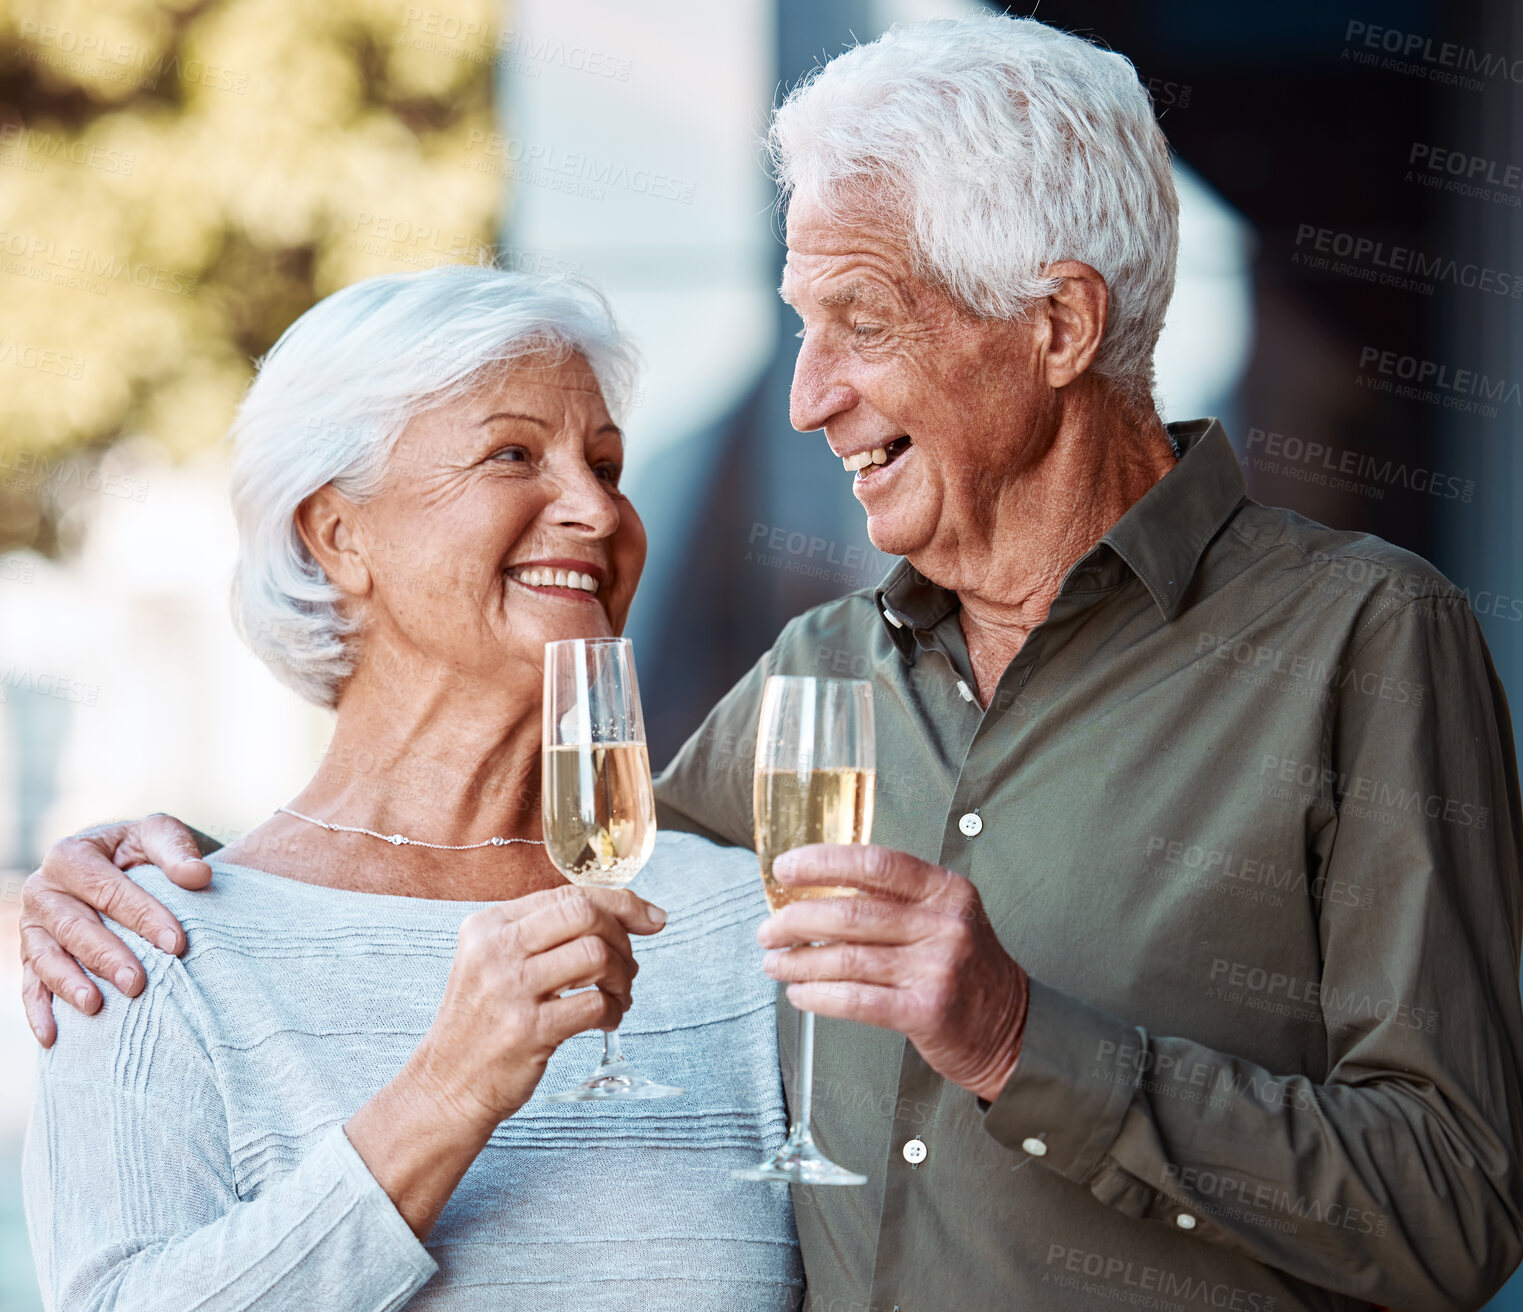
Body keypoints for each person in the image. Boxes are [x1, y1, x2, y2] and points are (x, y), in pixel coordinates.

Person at [21, 13, 1523, 1312]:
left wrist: (1020, 1036)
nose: (807, 397)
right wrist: (147, 880)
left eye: (856, 322)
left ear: (1057, 324)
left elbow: (1454, 1213)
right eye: (800, 325)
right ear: (328, 532)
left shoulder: (1363, 643)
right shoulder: (818, 678)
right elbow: (534, 859)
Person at [19, 266, 803, 1311]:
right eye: (514, 454)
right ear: (336, 534)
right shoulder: (145, 951)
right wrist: (448, 1089)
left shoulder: (741, 924)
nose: (595, 508)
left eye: (607, 466)